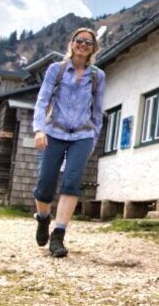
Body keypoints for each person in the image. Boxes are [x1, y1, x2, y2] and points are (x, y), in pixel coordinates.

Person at [31, 27, 105, 257]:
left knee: (71, 183)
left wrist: (93, 138)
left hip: (82, 136)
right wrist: (39, 129)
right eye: (79, 40)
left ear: (94, 48)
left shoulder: (97, 76)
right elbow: (42, 100)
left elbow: (98, 112)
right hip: (53, 132)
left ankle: (58, 236)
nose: (82, 44)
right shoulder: (57, 69)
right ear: (72, 43)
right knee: (45, 184)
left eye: (88, 42)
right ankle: (43, 219)